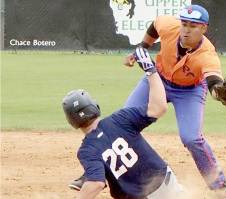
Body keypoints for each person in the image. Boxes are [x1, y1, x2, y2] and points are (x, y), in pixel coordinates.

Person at [123, 4, 226, 199]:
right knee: (122, 122)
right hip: (157, 80)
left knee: (191, 138)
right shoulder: (169, 26)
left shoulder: (207, 55)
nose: (186, 30)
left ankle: (220, 188)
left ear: (203, 28)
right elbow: (155, 25)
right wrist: (142, 47)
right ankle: (96, 174)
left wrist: (220, 92)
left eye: (193, 26)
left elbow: (213, 81)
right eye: (184, 24)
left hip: (189, 91)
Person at [62, 47, 184, 199]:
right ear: (94, 107)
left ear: (72, 121)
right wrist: (150, 70)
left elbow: (96, 183)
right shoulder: (120, 119)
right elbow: (159, 108)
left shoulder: (87, 150)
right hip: (168, 185)